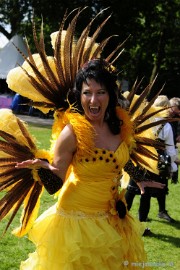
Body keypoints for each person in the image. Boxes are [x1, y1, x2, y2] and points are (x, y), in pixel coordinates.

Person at [0, 9, 169, 270]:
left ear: (110, 96)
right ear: (79, 96)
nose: (94, 100)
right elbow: (56, 182)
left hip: (112, 220)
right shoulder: (72, 132)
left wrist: (139, 176)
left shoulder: (121, 126)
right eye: (87, 92)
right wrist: (42, 169)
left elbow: (119, 159)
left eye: (101, 92)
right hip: (77, 224)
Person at [125, 95, 178, 234]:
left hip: (138, 160)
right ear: (166, 108)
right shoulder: (166, 125)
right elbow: (171, 151)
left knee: (130, 190)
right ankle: (142, 226)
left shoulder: (144, 120)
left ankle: (119, 220)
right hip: (153, 163)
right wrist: (172, 166)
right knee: (145, 193)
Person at [169, 97, 180, 183]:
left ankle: (174, 179)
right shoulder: (166, 115)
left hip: (174, 142)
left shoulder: (177, 116)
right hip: (167, 142)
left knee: (174, 158)